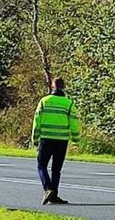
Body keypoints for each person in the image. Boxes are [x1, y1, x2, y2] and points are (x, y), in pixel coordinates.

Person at [32, 77, 81, 205]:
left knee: (41, 165)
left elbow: (37, 121)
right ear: (64, 87)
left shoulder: (44, 101)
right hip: (62, 140)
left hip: (46, 139)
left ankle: (48, 189)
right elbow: (74, 122)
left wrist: (35, 138)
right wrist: (76, 138)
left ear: (52, 86)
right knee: (56, 169)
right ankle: (54, 195)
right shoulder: (69, 103)